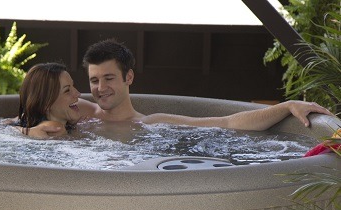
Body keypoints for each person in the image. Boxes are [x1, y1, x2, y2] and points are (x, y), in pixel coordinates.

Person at [26, 38, 334, 138]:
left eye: (108, 78)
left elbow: (225, 123)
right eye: (94, 80)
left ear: (128, 78)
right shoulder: (81, 113)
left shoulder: (150, 124)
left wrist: (286, 105)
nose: (100, 88)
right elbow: (17, 115)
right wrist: (28, 132)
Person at [14, 62, 82, 137]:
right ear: (45, 104)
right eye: (67, 90)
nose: (78, 94)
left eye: (73, 85)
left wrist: (22, 130)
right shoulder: (55, 128)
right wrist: (26, 131)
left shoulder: (25, 122)